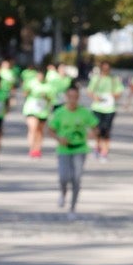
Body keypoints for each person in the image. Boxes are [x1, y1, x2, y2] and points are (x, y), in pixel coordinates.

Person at [46, 83, 97, 214]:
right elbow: (51, 130)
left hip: (80, 149)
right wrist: (59, 139)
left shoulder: (84, 112)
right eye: (70, 96)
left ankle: (72, 207)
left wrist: (92, 134)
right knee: (64, 177)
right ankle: (63, 193)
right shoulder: (60, 112)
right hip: (64, 150)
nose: (72, 99)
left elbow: (95, 127)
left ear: (78, 97)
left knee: (76, 178)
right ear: (66, 97)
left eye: (75, 97)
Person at [86, 62, 123, 161]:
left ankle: (104, 151)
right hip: (97, 108)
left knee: (106, 130)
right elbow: (89, 91)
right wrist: (95, 97)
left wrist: (113, 96)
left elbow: (119, 92)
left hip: (109, 108)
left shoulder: (114, 79)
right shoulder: (96, 79)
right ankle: (97, 147)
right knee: (97, 130)